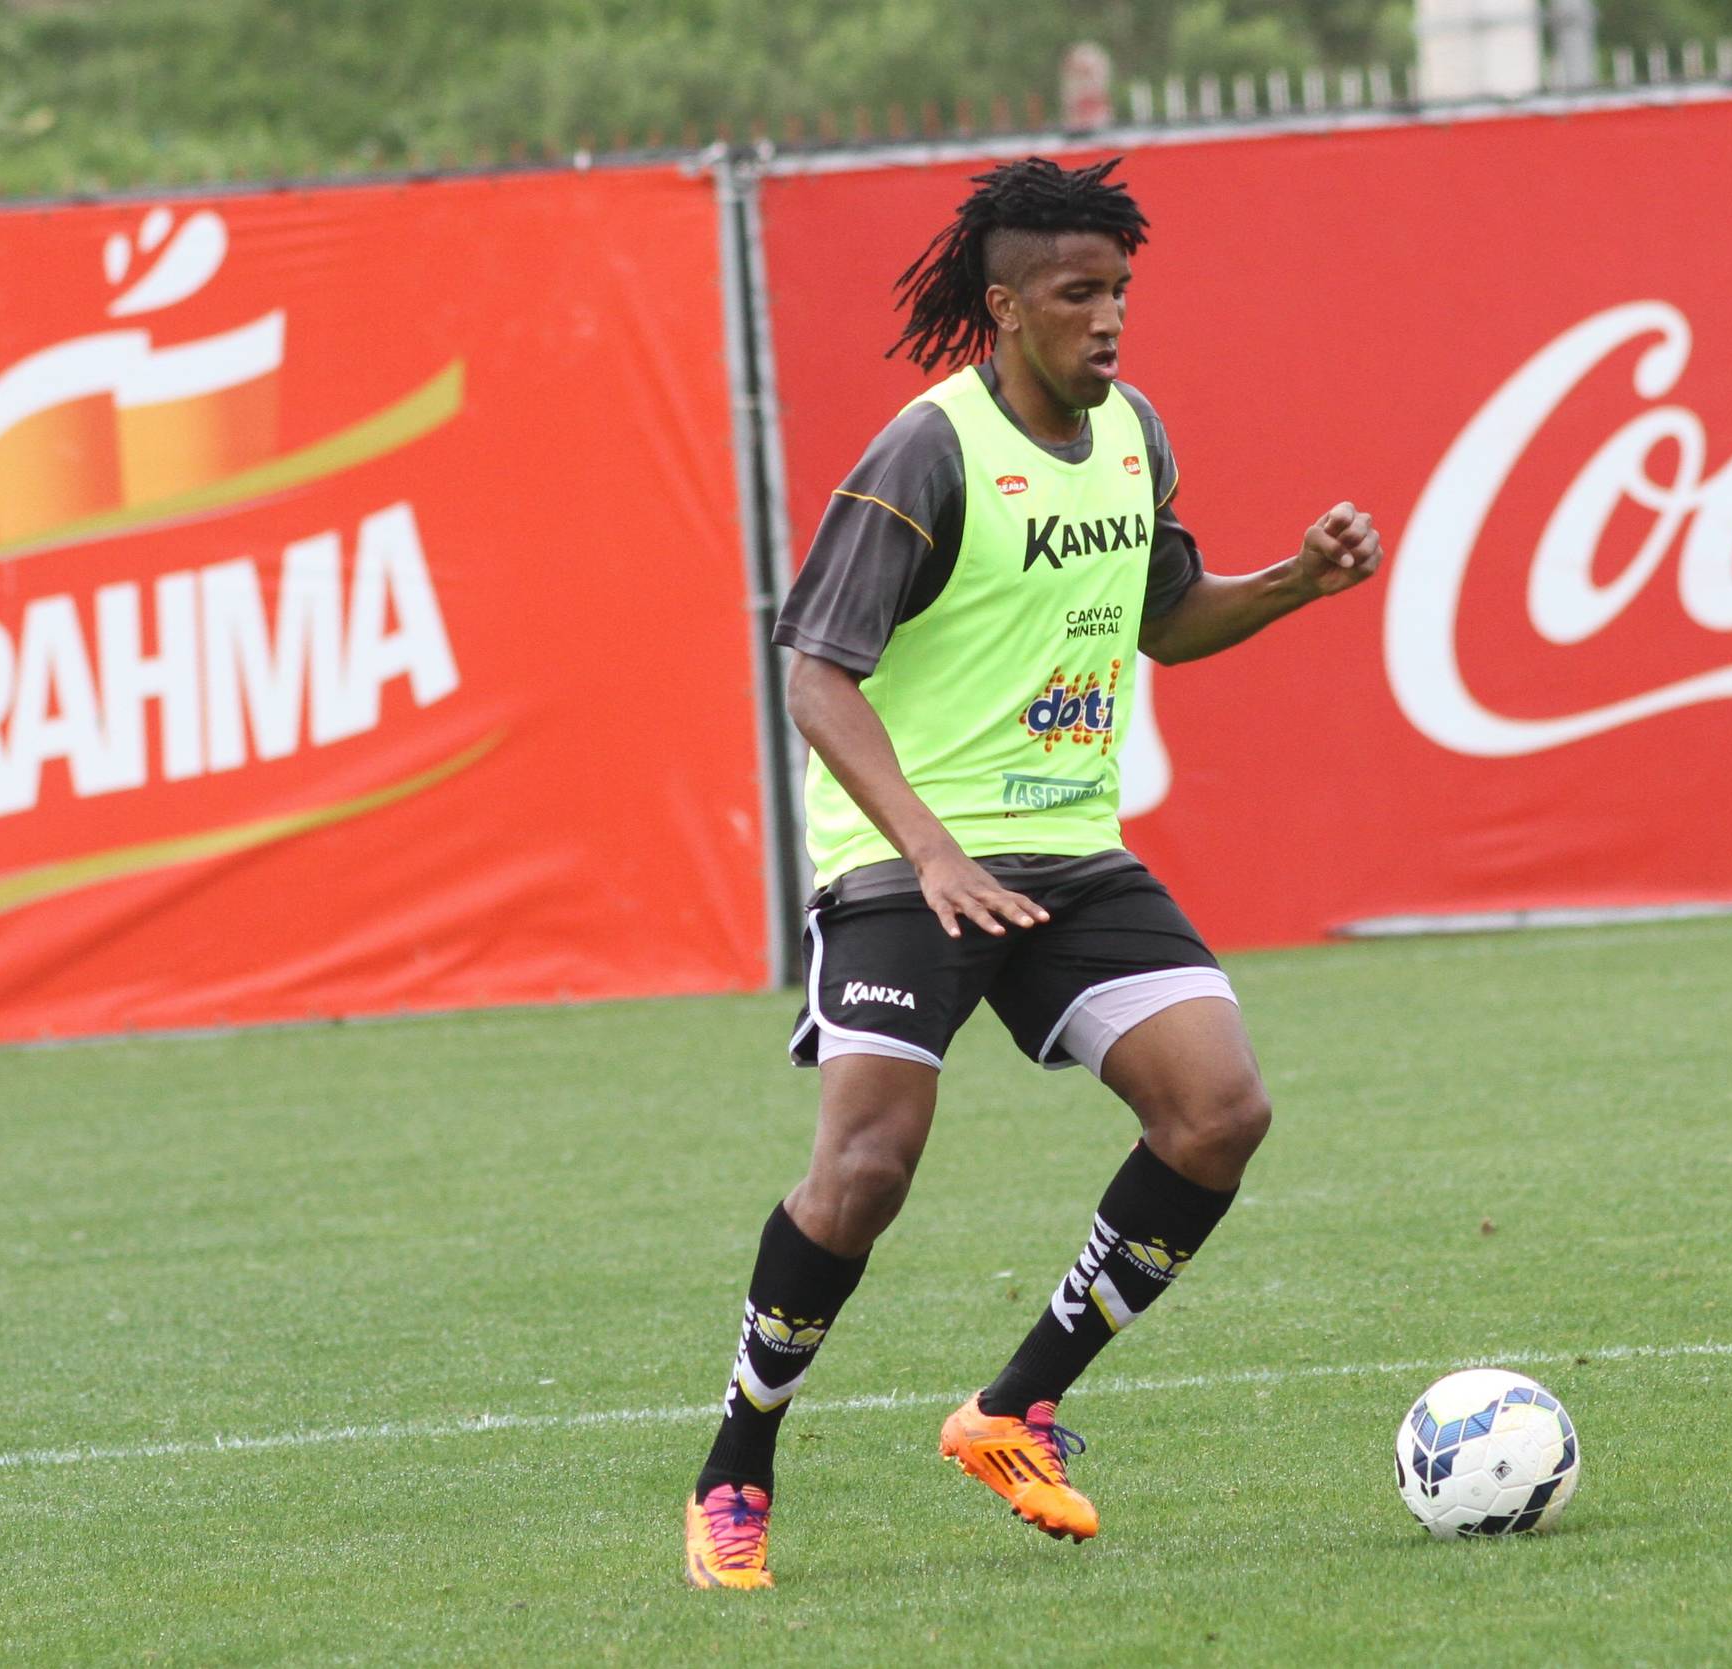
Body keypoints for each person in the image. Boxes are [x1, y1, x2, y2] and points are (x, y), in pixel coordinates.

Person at [684, 155, 1385, 1590]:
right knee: (867, 1168)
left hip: (1067, 847)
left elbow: (1168, 620)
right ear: (1004, 309)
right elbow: (816, 673)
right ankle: (737, 1461)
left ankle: (1016, 1403)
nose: (1110, 319)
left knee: (1218, 1111)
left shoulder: (1136, 434)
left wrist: (1294, 584)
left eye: (1119, 291)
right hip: (904, 861)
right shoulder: (925, 453)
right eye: (1078, 294)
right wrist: (925, 848)